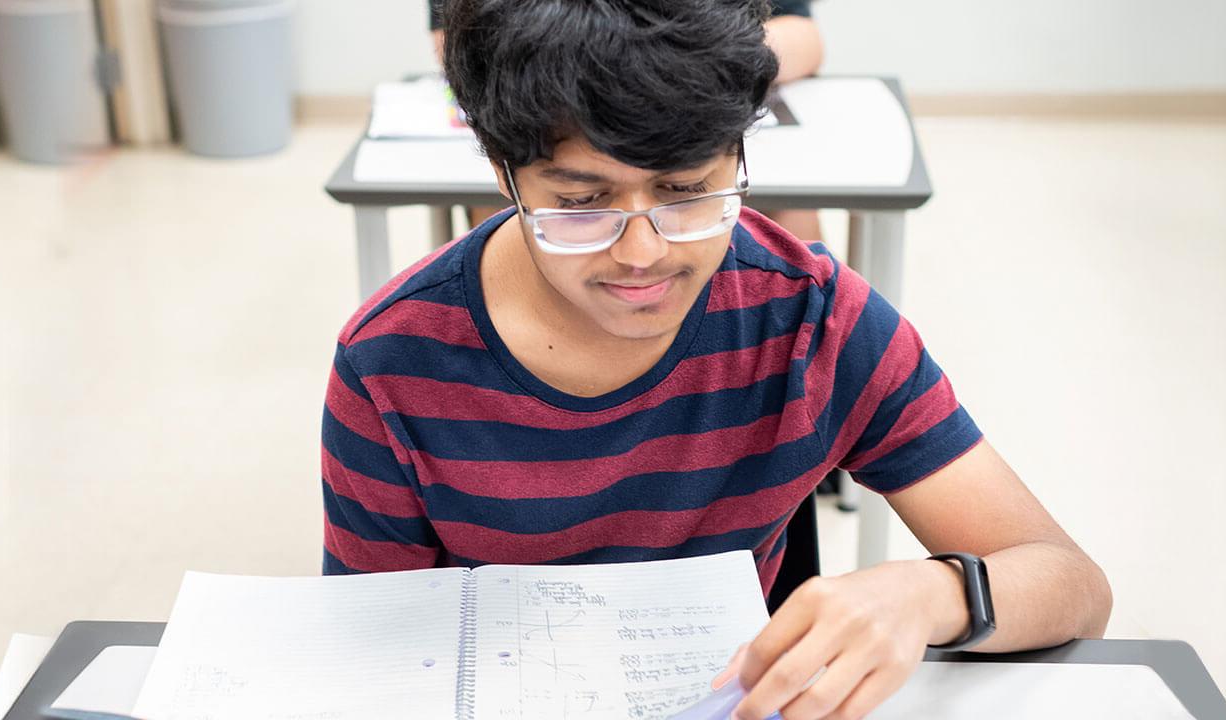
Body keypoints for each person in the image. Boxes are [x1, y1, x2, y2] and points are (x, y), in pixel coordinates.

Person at [322, 2, 1112, 718]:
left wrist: (928, 592)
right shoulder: (392, 360)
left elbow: (1070, 582)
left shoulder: (813, 320)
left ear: (738, 154)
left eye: (688, 188)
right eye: (579, 203)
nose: (643, 254)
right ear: (504, 176)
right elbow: (375, 656)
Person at [428, 0, 827, 242]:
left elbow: (803, 37)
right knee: (512, 207)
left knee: (790, 211)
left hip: (697, 112)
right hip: (553, 108)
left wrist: (672, 64)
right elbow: (462, 42)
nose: (641, 251)